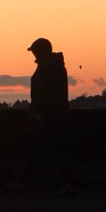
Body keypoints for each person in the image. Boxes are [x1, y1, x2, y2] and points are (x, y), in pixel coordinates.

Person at [20, 37, 74, 191]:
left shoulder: (47, 67)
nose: (33, 55)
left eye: (34, 51)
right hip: (55, 115)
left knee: (38, 150)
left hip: (49, 116)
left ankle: (25, 182)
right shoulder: (53, 65)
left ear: (39, 51)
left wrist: (37, 112)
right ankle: (67, 183)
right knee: (56, 151)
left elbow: (43, 93)